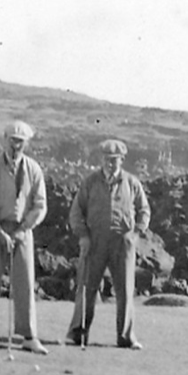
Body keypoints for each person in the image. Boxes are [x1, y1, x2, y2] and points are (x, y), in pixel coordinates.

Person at [0, 120, 49, 354]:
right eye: (12, 140)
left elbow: (40, 205)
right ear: (4, 140)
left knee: (25, 281)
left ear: (26, 143)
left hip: (22, 230)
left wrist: (24, 229)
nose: (16, 145)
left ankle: (28, 336)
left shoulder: (34, 169)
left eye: (20, 141)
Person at [66, 139, 150, 350]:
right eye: (106, 159)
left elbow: (144, 210)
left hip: (122, 244)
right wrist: (83, 235)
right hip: (95, 242)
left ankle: (126, 338)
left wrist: (136, 233)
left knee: (125, 291)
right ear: (101, 159)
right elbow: (76, 212)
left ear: (122, 159)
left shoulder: (132, 183)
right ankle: (77, 335)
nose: (110, 163)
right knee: (86, 289)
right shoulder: (90, 182)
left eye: (114, 160)